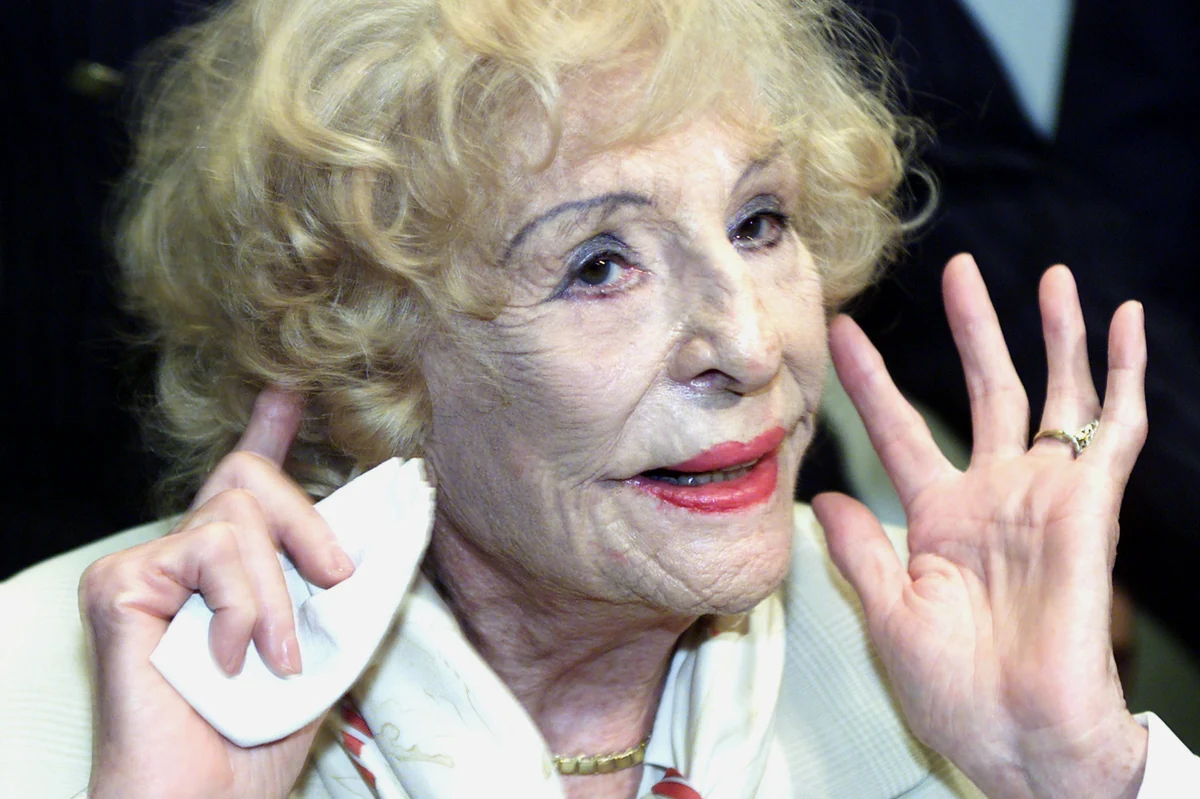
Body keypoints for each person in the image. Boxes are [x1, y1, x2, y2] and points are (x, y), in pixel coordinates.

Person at [1, 0, 1196, 796]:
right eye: (598, 265)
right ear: (365, 356)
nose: (748, 344)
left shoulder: (937, 660)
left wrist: (1079, 776)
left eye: (760, 222)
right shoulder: (66, 704)